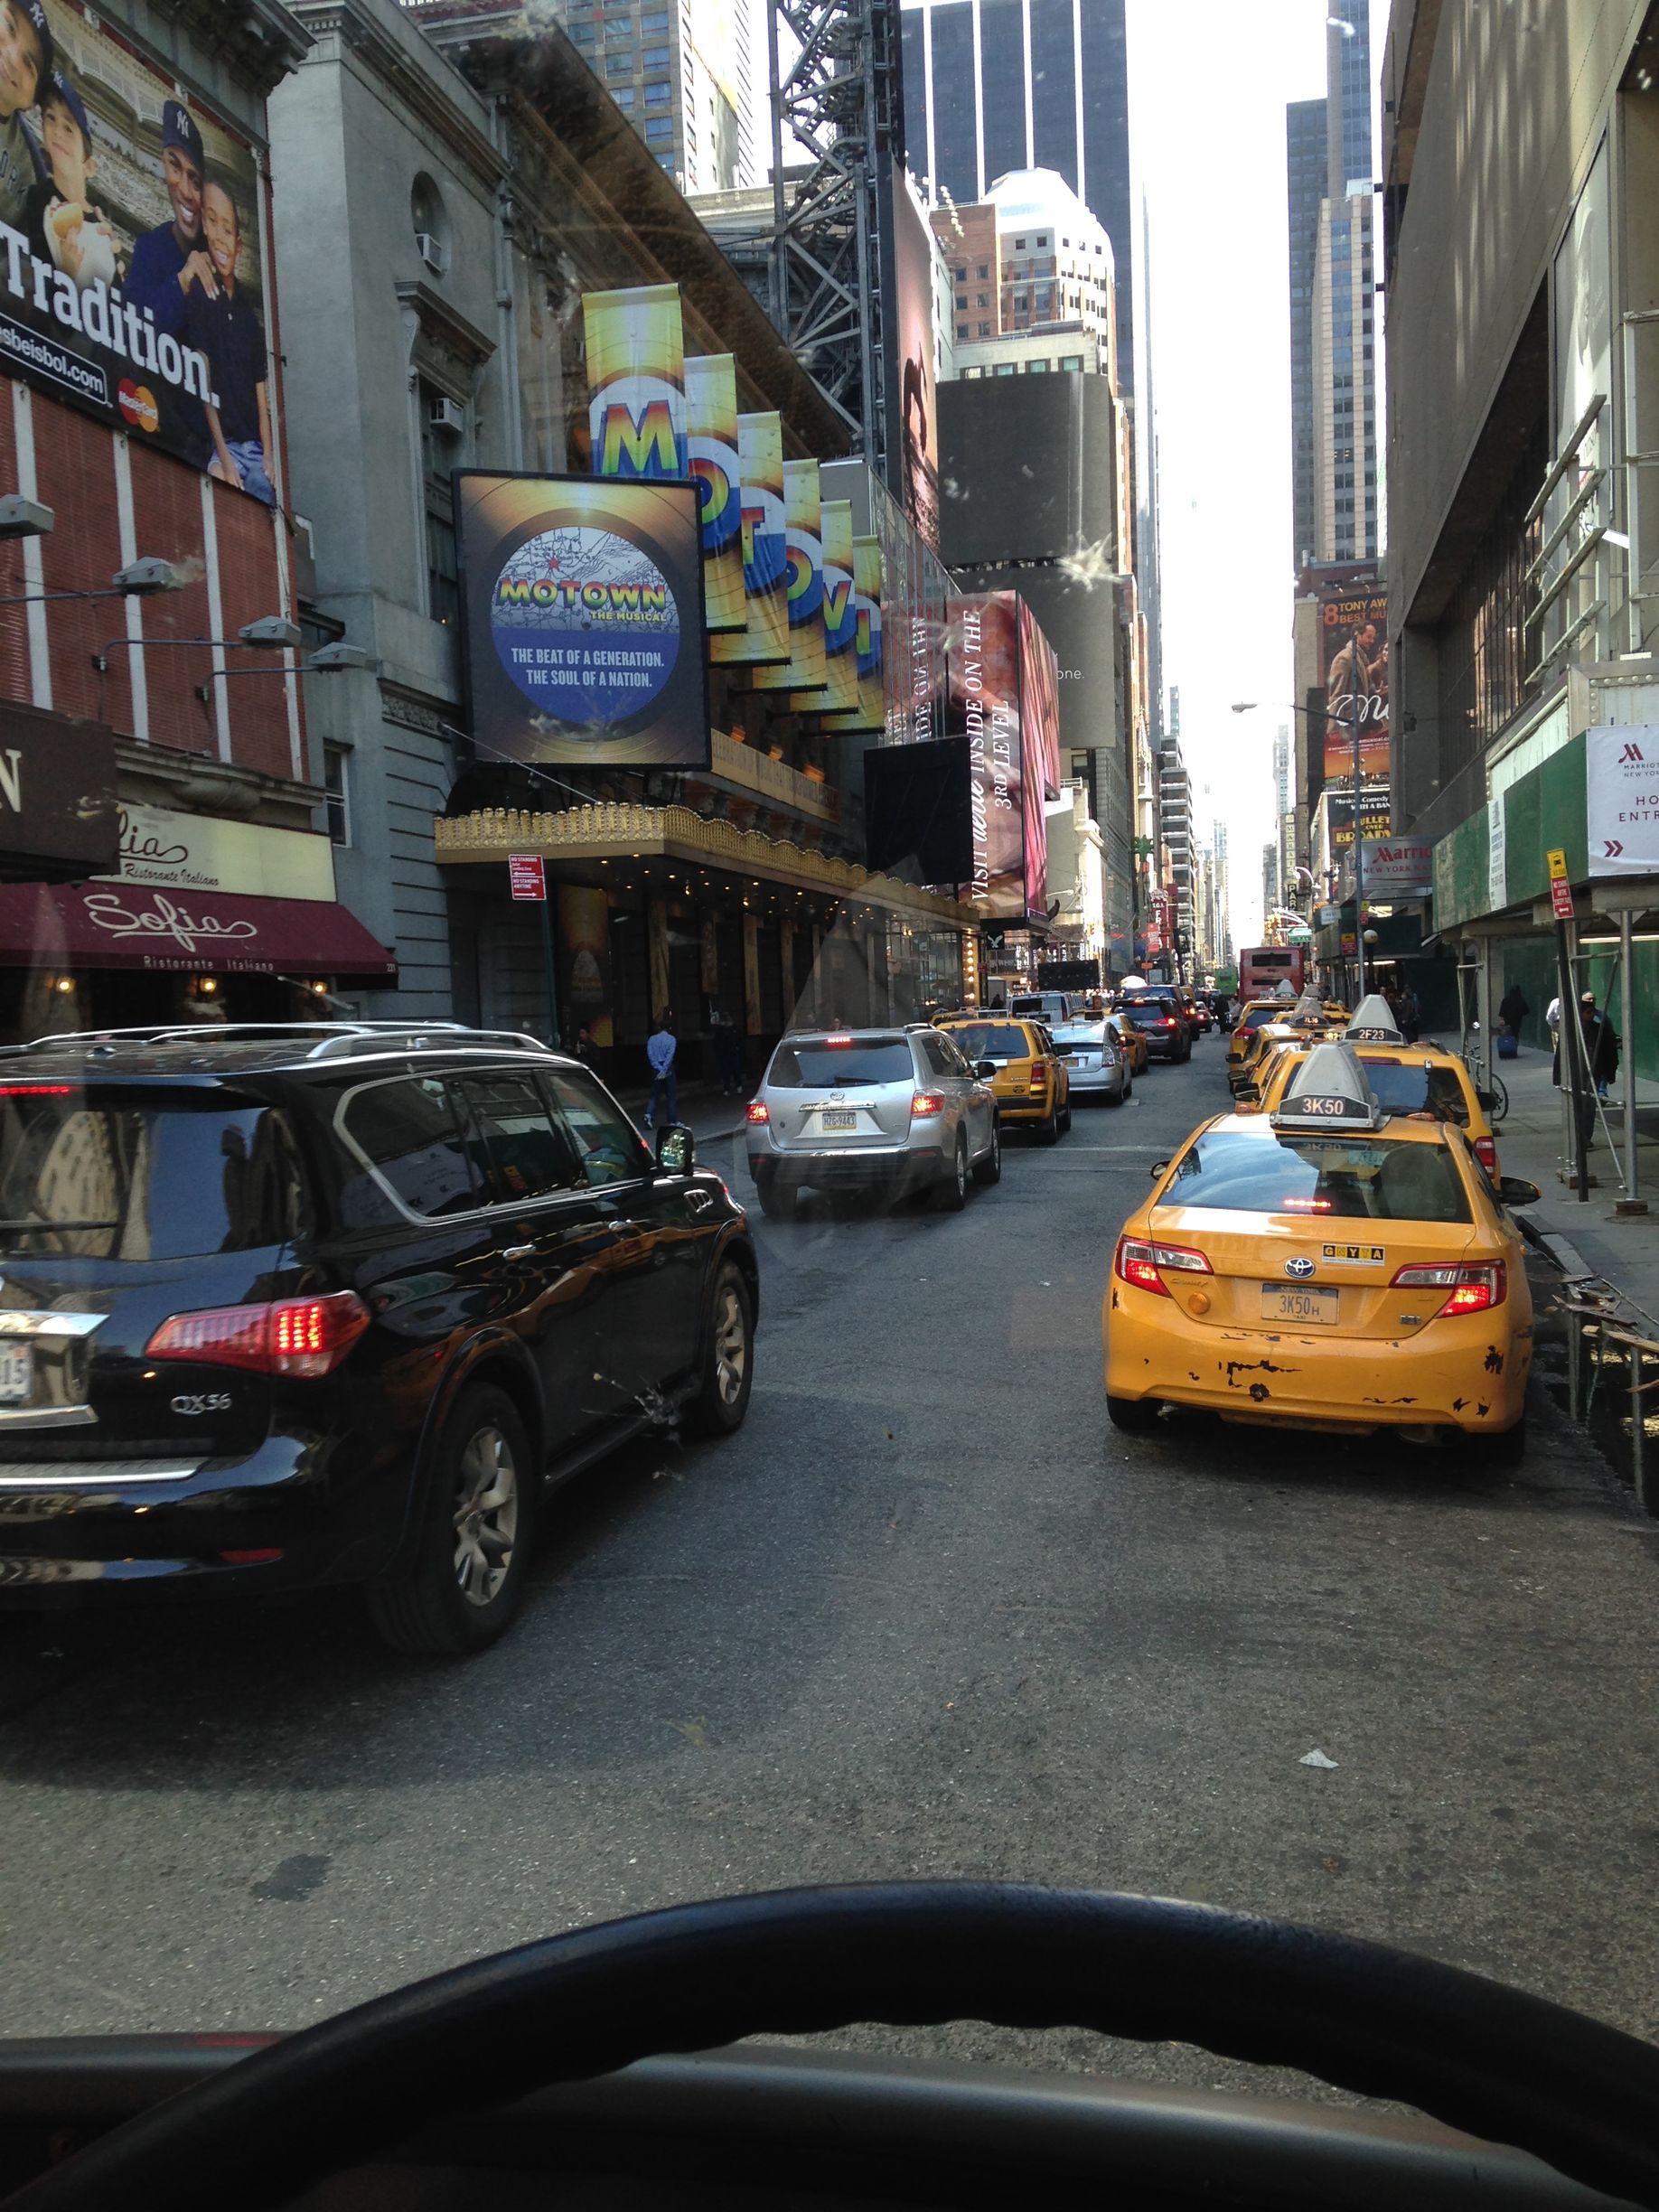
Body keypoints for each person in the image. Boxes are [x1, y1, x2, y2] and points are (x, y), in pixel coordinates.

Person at [124, 99, 216, 455]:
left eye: (195, 178)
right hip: (164, 433)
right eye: (174, 167)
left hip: (215, 446)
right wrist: (181, 281)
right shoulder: (151, 247)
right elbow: (134, 332)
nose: (185, 190)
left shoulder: (219, 257)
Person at [185, 173, 274, 503]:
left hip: (256, 450)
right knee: (219, 486)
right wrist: (223, 456)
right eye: (212, 222)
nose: (220, 238)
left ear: (238, 244)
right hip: (228, 449)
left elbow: (261, 400)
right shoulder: (201, 298)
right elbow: (204, 383)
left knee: (269, 499)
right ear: (204, 228)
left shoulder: (250, 318)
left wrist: (269, 457)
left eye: (228, 229)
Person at [22, 70, 117, 290]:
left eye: (68, 127)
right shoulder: (39, 199)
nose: (56, 132)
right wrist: (66, 275)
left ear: (89, 166)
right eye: (50, 118)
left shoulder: (102, 228)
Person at [0, 0, 50, 230]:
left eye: (28, 63)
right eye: (10, 26)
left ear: (31, 103)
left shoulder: (29, 169)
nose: (11, 55)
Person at [644, 1009, 678, 1130]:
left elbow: (650, 1055)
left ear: (659, 1028)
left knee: (654, 1094)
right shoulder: (672, 1039)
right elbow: (670, 1055)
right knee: (671, 1095)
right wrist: (664, 1070)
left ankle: (649, 1114)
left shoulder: (652, 1039)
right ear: (669, 1028)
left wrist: (657, 1068)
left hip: (655, 1067)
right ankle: (672, 1120)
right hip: (667, 1068)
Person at [710, 1000, 743, 1097]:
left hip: (732, 1052)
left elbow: (740, 1040)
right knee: (726, 1072)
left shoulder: (735, 1029)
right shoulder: (721, 1030)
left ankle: (738, 1085)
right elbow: (716, 1041)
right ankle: (727, 1088)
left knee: (736, 1070)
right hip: (724, 1053)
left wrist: (737, 1048)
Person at [1497, 982, 1528, 1049]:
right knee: (1515, 1035)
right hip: (1517, 1021)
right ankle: (1513, 1048)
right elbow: (1526, 1011)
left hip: (1507, 1021)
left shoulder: (1506, 1000)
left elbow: (1502, 1011)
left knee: (1506, 1035)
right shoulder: (1521, 1000)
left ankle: (1506, 1048)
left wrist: (1502, 1019)